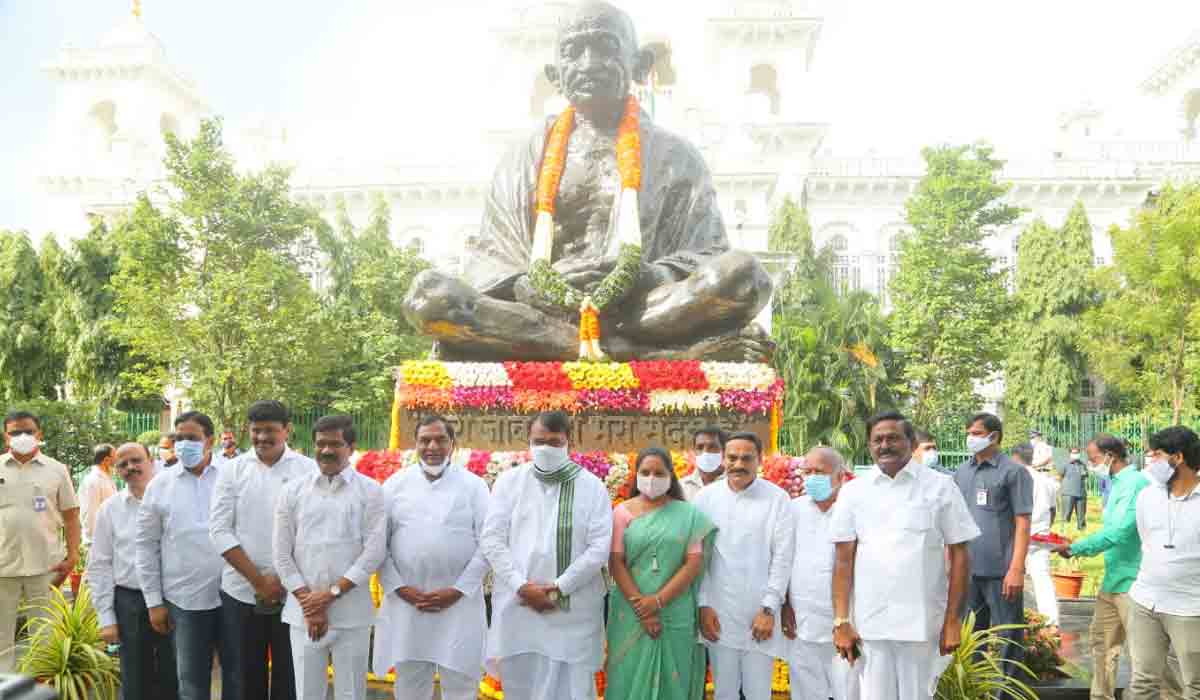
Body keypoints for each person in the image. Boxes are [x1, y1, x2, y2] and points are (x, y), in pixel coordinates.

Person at [401, 1, 773, 363]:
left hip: (646, 308)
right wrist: (527, 285)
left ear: (639, 65)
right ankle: (649, 356)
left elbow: (709, 252)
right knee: (427, 298)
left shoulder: (678, 156)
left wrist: (651, 274)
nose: (588, 64)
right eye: (573, 51)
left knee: (745, 278)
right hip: (540, 313)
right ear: (555, 75)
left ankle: (577, 346)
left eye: (606, 47)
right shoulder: (522, 158)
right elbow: (490, 259)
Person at [831, 411, 980, 700]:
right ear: (869, 445)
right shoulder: (854, 492)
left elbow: (960, 554)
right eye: (878, 440)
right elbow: (843, 559)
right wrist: (841, 621)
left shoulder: (940, 487)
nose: (885, 445)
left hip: (921, 625)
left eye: (893, 438)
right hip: (870, 625)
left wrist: (952, 620)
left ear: (911, 443)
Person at [480, 410, 612, 700]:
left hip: (573, 611)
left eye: (554, 442)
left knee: (574, 688)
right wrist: (522, 587)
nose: (546, 448)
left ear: (569, 442)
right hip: (519, 608)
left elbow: (600, 547)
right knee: (521, 686)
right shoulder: (509, 482)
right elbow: (491, 539)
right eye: (539, 441)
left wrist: (560, 587)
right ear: (528, 441)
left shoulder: (592, 487)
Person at [375, 415, 491, 700]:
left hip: (459, 604)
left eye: (440, 439)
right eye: (425, 440)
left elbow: (489, 543)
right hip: (407, 604)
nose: (432, 446)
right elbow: (378, 545)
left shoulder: (474, 486)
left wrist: (458, 590)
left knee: (462, 683)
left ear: (453, 444)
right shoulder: (394, 486)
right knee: (410, 684)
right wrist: (401, 589)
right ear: (415, 444)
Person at [273, 415, 387, 700]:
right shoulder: (292, 492)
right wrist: (309, 604)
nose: (326, 450)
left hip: (351, 615)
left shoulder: (371, 492)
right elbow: (281, 553)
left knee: (351, 693)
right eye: (321, 444)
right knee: (307, 694)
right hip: (303, 616)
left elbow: (373, 553)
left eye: (335, 444)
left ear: (351, 447)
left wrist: (330, 595)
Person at [210, 400, 316, 700]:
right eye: (256, 431)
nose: (261, 438)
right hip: (240, 592)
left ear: (287, 430)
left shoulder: (307, 470)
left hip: (293, 593)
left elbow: (312, 531)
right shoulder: (232, 471)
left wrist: (284, 581)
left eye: (270, 430)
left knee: (290, 677)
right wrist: (259, 581)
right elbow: (219, 530)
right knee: (242, 678)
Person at [135, 411, 232, 700]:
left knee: (239, 678)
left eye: (192, 438)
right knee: (191, 684)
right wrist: (154, 602)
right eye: (179, 439)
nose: (183, 444)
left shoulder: (233, 476)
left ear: (210, 441)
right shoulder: (160, 484)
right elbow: (145, 545)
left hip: (235, 598)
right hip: (185, 601)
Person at [607, 446, 715, 700]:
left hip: (674, 609)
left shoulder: (688, 514)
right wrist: (643, 610)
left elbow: (693, 563)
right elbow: (616, 562)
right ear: (636, 475)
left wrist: (657, 601)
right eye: (645, 472)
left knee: (674, 676)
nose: (651, 478)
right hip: (630, 610)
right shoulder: (621, 512)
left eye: (658, 472)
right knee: (629, 673)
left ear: (670, 476)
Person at [1050, 434, 1153, 700]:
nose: (1090, 463)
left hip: (1134, 582)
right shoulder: (1115, 483)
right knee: (1102, 646)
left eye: (1094, 458)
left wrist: (1076, 548)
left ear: (1111, 456)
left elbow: (1119, 532)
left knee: (1143, 656)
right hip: (1112, 579)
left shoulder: (1136, 483)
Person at [693, 432, 794, 700]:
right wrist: (703, 604)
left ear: (759, 460)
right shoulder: (705, 498)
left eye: (746, 458)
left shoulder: (777, 499)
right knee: (724, 691)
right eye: (732, 457)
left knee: (758, 692)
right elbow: (698, 558)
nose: (738, 464)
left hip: (759, 614)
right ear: (723, 459)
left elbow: (782, 558)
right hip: (718, 612)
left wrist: (769, 608)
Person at [89, 442, 178, 700]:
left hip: (173, 598)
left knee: (174, 675)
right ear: (116, 470)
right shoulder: (110, 509)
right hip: (130, 602)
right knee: (135, 679)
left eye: (136, 460)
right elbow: (99, 564)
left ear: (151, 460)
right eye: (123, 464)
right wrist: (106, 617)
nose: (131, 467)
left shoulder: (172, 501)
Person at [0, 410, 81, 673]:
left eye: (28, 431)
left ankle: (40, 687)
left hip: (47, 567)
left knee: (44, 634)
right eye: (14, 432)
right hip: (3, 566)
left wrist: (72, 556)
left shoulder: (57, 470)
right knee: (2, 638)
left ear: (39, 435)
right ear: (5, 436)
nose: (21, 436)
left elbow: (71, 517)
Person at [953, 412, 1033, 679]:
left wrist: (1017, 569)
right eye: (969, 433)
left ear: (994, 436)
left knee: (1008, 640)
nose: (970, 438)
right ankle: (975, 691)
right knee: (970, 640)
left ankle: (1007, 693)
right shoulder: (962, 472)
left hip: (1002, 573)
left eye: (976, 433)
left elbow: (1023, 523)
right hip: (968, 572)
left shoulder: (1014, 472)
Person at [1126, 426, 1200, 700]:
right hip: (1145, 602)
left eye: (1156, 455)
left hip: (1190, 608)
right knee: (1142, 682)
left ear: (1178, 457)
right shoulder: (1148, 496)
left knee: (1195, 686)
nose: (1150, 462)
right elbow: (1147, 541)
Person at [781, 447, 860, 700]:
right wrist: (784, 605)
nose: (812, 477)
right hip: (802, 621)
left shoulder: (854, 510)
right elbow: (782, 560)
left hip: (846, 622)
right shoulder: (793, 509)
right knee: (806, 691)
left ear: (840, 476)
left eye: (820, 472)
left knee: (847, 691)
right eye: (808, 471)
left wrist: (845, 621)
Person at [1011, 442, 1060, 625]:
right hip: (1040, 536)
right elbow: (1053, 510)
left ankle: (1011, 621)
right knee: (1042, 579)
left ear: (1014, 458)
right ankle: (1051, 622)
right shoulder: (1046, 482)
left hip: (1016, 536)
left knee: (1010, 577)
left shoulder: (1013, 477)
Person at [79, 443, 119, 544]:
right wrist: (91, 540)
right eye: (115, 458)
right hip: (96, 540)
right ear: (106, 460)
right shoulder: (93, 480)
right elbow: (90, 511)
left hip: (108, 538)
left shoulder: (107, 478)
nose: (117, 461)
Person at [681, 426, 726, 500]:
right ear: (694, 451)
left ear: (724, 451)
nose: (705, 452)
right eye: (700, 447)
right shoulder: (681, 487)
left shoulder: (733, 484)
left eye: (712, 447)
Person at [1058, 447, 1089, 529]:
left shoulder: (1082, 464)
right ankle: (1063, 530)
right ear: (1070, 454)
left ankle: (1082, 529)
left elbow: (1085, 476)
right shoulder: (1065, 464)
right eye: (1074, 453)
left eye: (1077, 453)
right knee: (1066, 514)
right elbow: (1060, 476)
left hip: (1081, 493)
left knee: (1081, 514)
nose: (1076, 454)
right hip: (1068, 493)